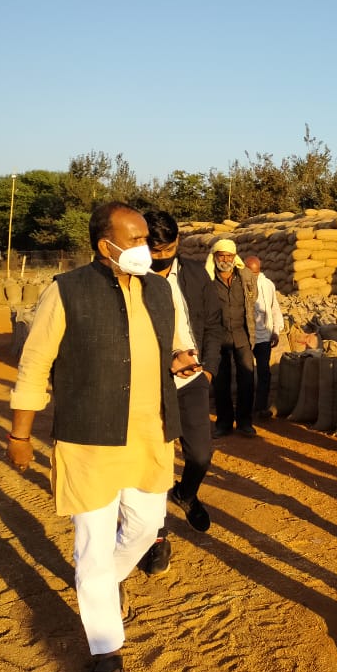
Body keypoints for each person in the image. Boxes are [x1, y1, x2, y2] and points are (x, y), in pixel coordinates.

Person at [6, 202, 199, 672]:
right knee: (92, 546)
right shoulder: (66, 292)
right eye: (133, 240)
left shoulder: (160, 290)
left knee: (144, 527)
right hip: (88, 439)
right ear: (104, 246)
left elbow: (169, 345)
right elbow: (34, 365)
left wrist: (179, 358)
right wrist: (19, 435)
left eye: (145, 240)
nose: (144, 248)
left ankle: (103, 585)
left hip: (150, 436)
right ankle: (106, 646)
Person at [139, 210, 226, 576]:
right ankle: (157, 538)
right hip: (149, 383)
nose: (162, 256)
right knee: (154, 464)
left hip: (191, 380)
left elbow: (213, 324)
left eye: (169, 248)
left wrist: (206, 369)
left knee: (201, 455)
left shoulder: (193, 274)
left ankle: (186, 494)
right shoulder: (132, 280)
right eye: (154, 249)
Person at [208, 238, 258, 438]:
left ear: (234, 256)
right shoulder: (209, 278)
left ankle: (245, 422)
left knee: (247, 378)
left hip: (242, 333)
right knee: (221, 381)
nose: (226, 260)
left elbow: (252, 298)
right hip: (218, 335)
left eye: (229, 255)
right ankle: (224, 423)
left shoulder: (244, 275)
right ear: (215, 257)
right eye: (222, 256)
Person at [243, 255, 283, 420]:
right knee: (246, 373)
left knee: (264, 372)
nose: (254, 276)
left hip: (264, 336)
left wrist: (276, 330)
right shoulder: (240, 283)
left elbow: (274, 308)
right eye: (251, 273)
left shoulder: (268, 285)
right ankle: (244, 409)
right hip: (246, 336)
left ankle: (260, 408)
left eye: (256, 272)